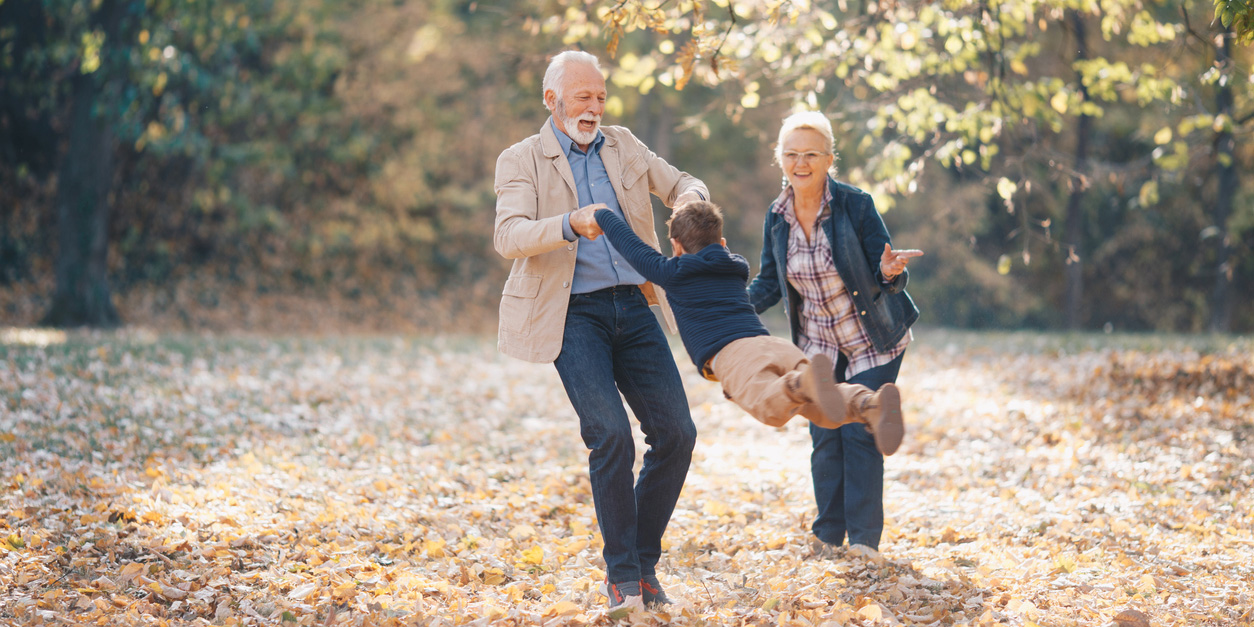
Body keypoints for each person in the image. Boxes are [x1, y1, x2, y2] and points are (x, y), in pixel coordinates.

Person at [492, 50, 708, 611]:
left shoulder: (624, 143)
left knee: (677, 434)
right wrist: (570, 223)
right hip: (571, 313)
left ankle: (641, 563)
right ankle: (623, 578)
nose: (593, 107)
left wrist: (689, 208)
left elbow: (684, 181)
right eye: (582, 96)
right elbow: (509, 235)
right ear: (552, 100)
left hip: (635, 307)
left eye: (600, 97)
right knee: (609, 434)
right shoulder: (520, 160)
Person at [584, 200, 904, 449]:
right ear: (722, 243)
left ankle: (800, 383)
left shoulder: (673, 271)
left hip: (733, 354)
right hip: (772, 345)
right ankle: (869, 404)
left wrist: (603, 216)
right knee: (822, 405)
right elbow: (716, 256)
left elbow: (633, 248)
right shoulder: (736, 267)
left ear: (677, 245)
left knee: (769, 405)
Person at [747, 110, 922, 554]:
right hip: (818, 346)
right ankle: (828, 535)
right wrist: (728, 309)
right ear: (779, 160)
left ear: (829, 159)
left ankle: (863, 542)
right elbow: (771, 282)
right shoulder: (777, 216)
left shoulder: (855, 205)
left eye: (810, 154)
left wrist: (887, 272)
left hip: (872, 340)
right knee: (824, 433)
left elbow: (888, 271)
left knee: (859, 429)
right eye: (791, 154)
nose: (800, 163)